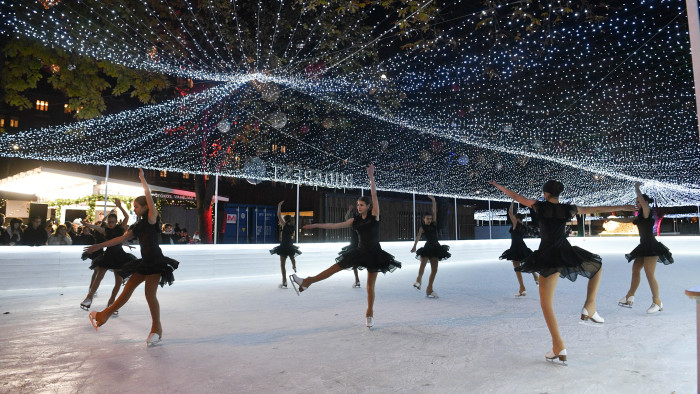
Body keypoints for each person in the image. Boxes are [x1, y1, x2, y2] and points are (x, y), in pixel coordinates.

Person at [489, 179, 634, 363]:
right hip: (565, 251)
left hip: (548, 255)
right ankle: (589, 306)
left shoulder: (539, 206)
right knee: (597, 267)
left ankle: (559, 345)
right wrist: (623, 206)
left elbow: (516, 196)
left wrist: (499, 186)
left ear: (546, 194)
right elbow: (594, 208)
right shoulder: (568, 209)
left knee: (546, 304)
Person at [293, 165, 402, 328]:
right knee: (333, 268)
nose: (359, 207)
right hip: (359, 252)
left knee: (370, 286)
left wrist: (371, 177)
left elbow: (374, 195)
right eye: (358, 205)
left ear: (368, 206)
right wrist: (316, 225)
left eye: (362, 205)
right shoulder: (354, 220)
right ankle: (308, 281)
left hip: (374, 254)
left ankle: (369, 313)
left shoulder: (375, 216)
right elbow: (334, 225)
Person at [85, 169, 180, 346]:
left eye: (137, 206)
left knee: (149, 295)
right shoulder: (137, 226)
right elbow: (119, 239)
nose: (135, 209)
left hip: (156, 262)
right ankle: (103, 316)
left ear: (145, 207)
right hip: (144, 263)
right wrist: (99, 245)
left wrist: (143, 180)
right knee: (127, 289)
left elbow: (149, 198)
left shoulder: (152, 219)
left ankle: (156, 329)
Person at [616, 182, 673, 313]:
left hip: (652, 246)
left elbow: (642, 201)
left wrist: (637, 188)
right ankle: (630, 296)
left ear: (645, 202)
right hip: (643, 246)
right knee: (635, 269)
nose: (637, 203)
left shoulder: (647, 212)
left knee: (649, 274)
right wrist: (612, 219)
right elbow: (628, 220)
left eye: (639, 201)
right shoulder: (640, 215)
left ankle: (657, 301)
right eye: (636, 201)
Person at [79, 199, 136, 312]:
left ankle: (111, 302)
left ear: (116, 222)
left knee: (118, 281)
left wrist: (119, 206)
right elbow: (95, 227)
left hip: (120, 256)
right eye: (109, 221)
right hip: (108, 256)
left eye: (112, 222)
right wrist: (86, 224)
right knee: (99, 277)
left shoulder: (120, 229)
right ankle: (89, 297)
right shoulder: (105, 230)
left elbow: (126, 217)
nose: (110, 223)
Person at [410, 196, 451, 298]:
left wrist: (433, 201)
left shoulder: (434, 224)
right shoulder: (422, 227)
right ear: (423, 219)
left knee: (434, 270)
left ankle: (429, 289)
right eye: (427, 218)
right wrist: (414, 246)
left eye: (430, 218)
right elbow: (418, 236)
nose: (429, 219)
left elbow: (434, 211)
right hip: (427, 247)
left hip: (436, 247)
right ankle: (418, 281)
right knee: (422, 266)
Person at [499, 201, 539, 297]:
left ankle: (522, 287)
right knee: (527, 262)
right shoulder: (523, 226)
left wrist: (512, 202)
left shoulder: (516, 224)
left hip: (516, 247)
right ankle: (535, 277)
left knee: (516, 266)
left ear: (517, 218)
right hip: (522, 246)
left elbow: (510, 213)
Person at [269, 201, 301, 289]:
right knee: (292, 256)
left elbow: (278, 215)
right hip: (290, 246)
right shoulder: (293, 226)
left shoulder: (284, 225)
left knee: (282, 265)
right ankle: (294, 266)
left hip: (284, 246)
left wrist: (279, 206)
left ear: (285, 220)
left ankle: (284, 282)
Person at [341, 204, 362, 288]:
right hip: (360, 244)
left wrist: (349, 210)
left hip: (354, 244)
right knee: (359, 263)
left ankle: (357, 280)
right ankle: (357, 280)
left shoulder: (353, 224)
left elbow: (346, 218)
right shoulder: (361, 224)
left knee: (354, 263)